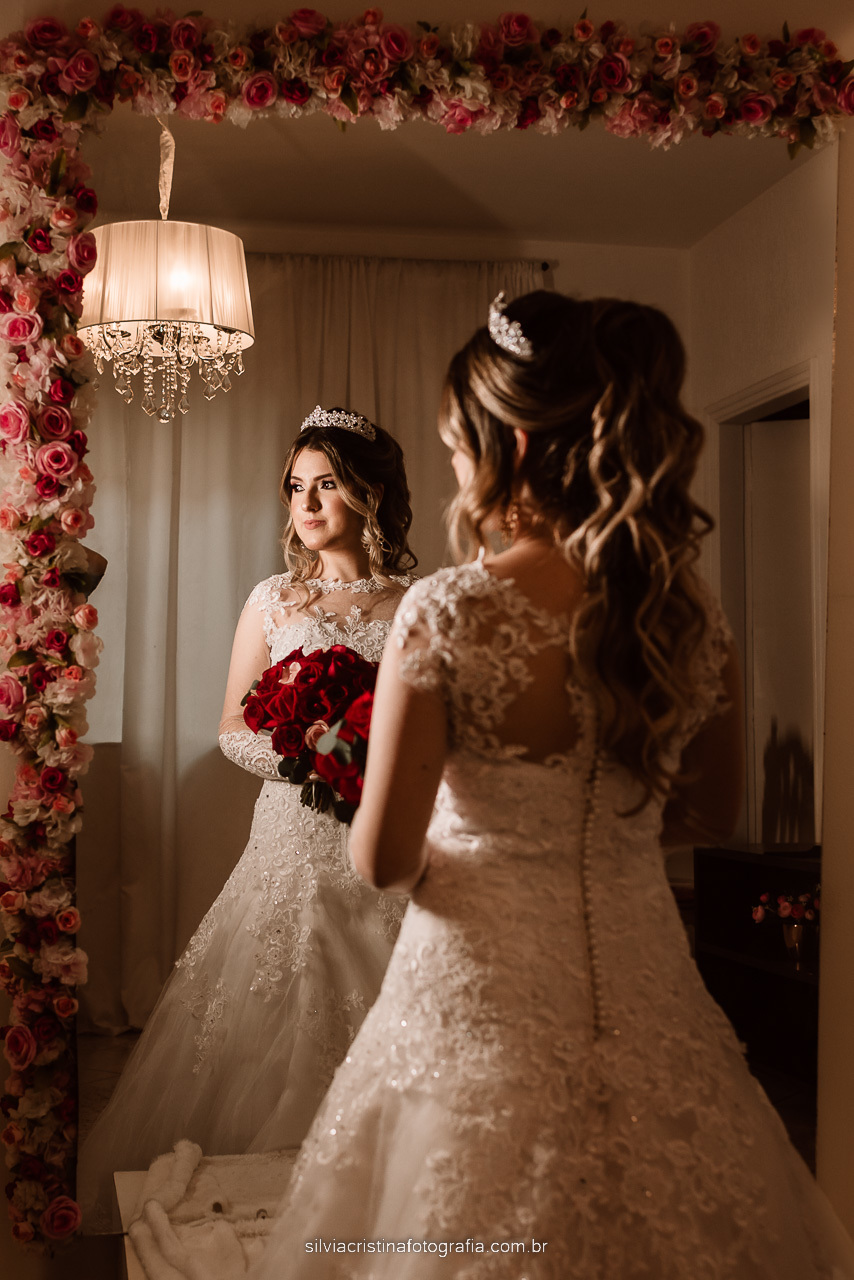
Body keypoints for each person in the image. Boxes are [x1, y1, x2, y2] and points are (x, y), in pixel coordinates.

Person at [252, 295, 854, 1278]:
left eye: (459, 443)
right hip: (641, 970)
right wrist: (596, 834)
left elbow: (385, 859)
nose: (455, 464)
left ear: (514, 444)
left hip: (477, 986)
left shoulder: (447, 609)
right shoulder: (684, 610)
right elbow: (711, 812)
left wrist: (444, 817)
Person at [79, 406, 417, 1232]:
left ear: (370, 494)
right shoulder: (273, 599)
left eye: (327, 484)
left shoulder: (417, 604)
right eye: (296, 486)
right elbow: (233, 727)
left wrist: (372, 763)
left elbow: (436, 727)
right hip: (293, 832)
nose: (307, 504)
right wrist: (310, 758)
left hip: (384, 830)